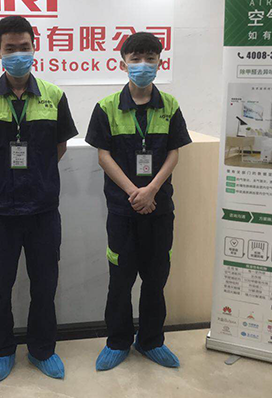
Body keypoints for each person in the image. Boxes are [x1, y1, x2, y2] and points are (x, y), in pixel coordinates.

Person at [0, 15, 78, 384]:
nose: (18, 55)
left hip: (43, 209)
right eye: (10, 48)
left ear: (34, 47)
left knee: (45, 284)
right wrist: (2, 181)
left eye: (24, 47)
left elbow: (59, 147)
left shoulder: (54, 96)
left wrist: (36, 178)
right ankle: (2, 349)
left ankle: (42, 350)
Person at [85, 32, 192, 371]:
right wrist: (135, 191)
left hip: (159, 210)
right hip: (123, 211)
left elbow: (174, 152)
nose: (143, 65)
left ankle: (150, 341)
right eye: (136, 59)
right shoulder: (106, 107)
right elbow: (103, 156)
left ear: (160, 62)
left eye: (150, 58)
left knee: (156, 280)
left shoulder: (170, 105)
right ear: (123, 63)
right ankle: (117, 342)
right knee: (120, 280)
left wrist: (151, 191)